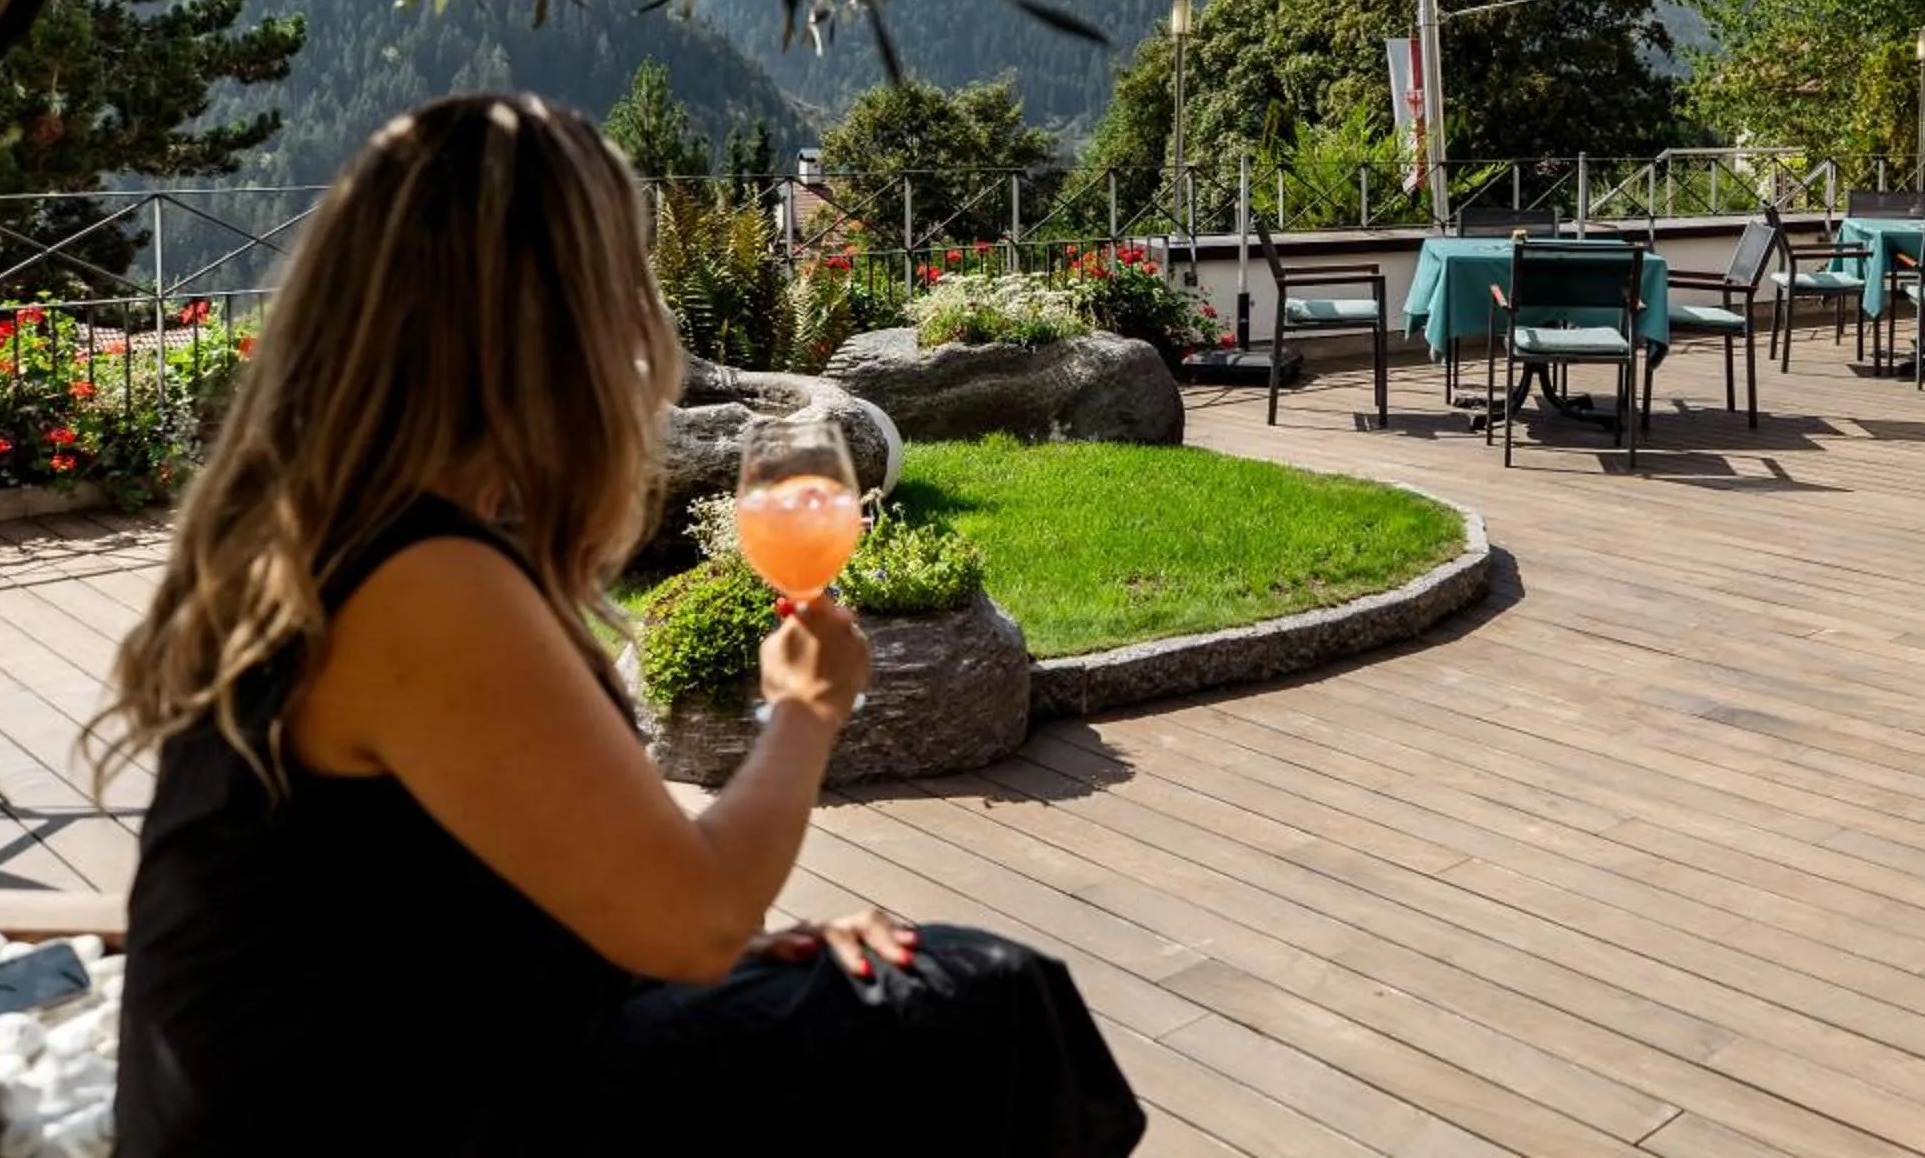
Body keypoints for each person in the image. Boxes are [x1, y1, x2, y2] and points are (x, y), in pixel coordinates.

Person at [88, 94, 1144, 1155]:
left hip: (386, 1071)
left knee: (926, 992)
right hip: (378, 1110)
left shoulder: (321, 543)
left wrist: (752, 954)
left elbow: (440, 908)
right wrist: (808, 710)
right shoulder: (425, 585)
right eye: (626, 285)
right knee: (1000, 1011)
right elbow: (691, 919)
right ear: (556, 322)